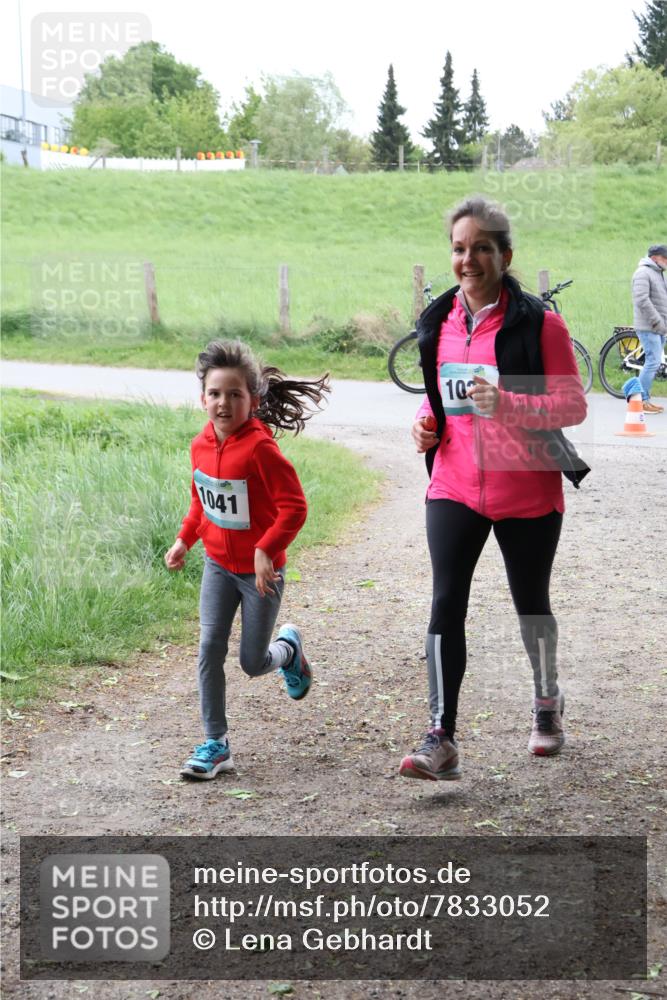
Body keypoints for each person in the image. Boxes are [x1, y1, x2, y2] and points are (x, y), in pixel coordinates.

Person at [398, 195, 588, 782]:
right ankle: (440, 735)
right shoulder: (437, 324)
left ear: (505, 255)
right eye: (459, 248)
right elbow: (441, 404)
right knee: (445, 600)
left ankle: (547, 706)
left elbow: (573, 404)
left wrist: (508, 404)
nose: (469, 259)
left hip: (527, 491)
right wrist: (427, 428)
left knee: (531, 603)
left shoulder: (539, 324)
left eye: (482, 247)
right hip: (454, 484)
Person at [165, 340, 329, 780]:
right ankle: (215, 744)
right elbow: (203, 502)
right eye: (216, 394)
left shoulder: (260, 450)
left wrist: (265, 550)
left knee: (252, 662)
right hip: (218, 566)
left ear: (253, 401)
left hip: (261, 572)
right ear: (203, 398)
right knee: (208, 648)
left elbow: (295, 506)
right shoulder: (199, 447)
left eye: (235, 395)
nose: (224, 403)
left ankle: (289, 651)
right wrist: (185, 539)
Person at [631, 243, 667, 414]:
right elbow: (642, 300)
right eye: (665, 258)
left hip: (659, 327)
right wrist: (657, 322)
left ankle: (644, 399)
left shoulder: (657, 273)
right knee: (652, 362)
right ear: (655, 258)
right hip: (649, 326)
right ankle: (641, 402)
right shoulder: (643, 273)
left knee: (653, 362)